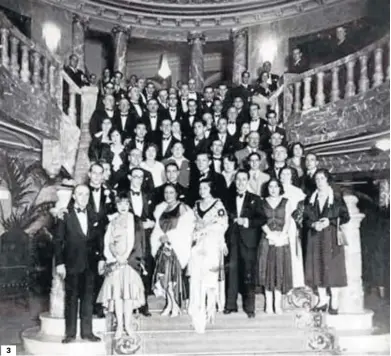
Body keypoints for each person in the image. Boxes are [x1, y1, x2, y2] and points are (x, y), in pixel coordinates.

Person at [53, 184, 103, 344]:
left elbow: (99, 240)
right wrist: (59, 263)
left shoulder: (93, 215)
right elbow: (58, 241)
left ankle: (87, 332)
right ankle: (70, 334)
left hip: (90, 263)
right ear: (74, 196)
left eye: (87, 194)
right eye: (80, 194)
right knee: (72, 299)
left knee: (88, 299)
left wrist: (101, 258)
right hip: (71, 263)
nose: (84, 197)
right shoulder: (64, 215)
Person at [97, 193, 145, 339]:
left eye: (126, 203)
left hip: (129, 262)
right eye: (120, 204)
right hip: (116, 262)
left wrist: (127, 258)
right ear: (116, 206)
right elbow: (109, 242)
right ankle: (119, 326)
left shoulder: (135, 221)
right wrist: (116, 257)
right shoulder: (112, 222)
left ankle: (128, 325)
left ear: (129, 205)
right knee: (117, 295)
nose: (123, 207)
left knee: (128, 295)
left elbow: (140, 242)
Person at [303, 169, 350, 314]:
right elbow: (304, 219)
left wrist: (329, 221)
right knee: (317, 267)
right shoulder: (310, 199)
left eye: (322, 178)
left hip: (331, 238)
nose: (319, 181)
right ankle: (323, 300)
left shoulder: (336, 198)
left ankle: (334, 302)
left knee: (333, 269)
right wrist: (313, 224)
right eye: (317, 179)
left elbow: (346, 217)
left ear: (327, 180)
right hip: (315, 237)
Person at [188, 180, 228, 333]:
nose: (202, 190)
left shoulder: (218, 204)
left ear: (211, 189)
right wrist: (196, 231)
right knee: (197, 277)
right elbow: (191, 223)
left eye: (205, 188)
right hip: (198, 245)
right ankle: (197, 308)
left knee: (210, 278)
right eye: (200, 188)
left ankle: (210, 309)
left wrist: (208, 229)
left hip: (212, 244)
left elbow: (223, 224)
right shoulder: (196, 205)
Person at [150, 184, 195, 316]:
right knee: (164, 276)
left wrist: (169, 237)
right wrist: (159, 238)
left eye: (171, 192)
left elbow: (186, 228)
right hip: (163, 247)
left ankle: (175, 305)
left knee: (172, 278)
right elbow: (158, 228)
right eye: (166, 192)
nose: (168, 195)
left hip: (175, 247)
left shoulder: (182, 207)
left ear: (176, 194)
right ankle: (170, 304)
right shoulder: (161, 208)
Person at [224, 170, 264, 318]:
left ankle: (250, 308)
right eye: (238, 180)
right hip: (232, 240)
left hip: (249, 242)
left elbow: (262, 220)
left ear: (247, 181)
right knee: (231, 272)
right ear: (234, 181)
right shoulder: (227, 199)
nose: (240, 182)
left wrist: (246, 222)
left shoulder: (256, 199)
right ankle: (230, 305)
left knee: (248, 275)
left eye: (243, 179)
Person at [258, 178, 293, 314]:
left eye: (276, 187)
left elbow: (288, 220)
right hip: (267, 239)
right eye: (270, 187)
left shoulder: (286, 202)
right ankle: (268, 305)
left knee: (279, 270)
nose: (273, 189)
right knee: (268, 271)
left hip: (281, 239)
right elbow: (261, 221)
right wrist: (270, 235)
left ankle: (277, 305)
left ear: (280, 188)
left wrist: (281, 235)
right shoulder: (262, 202)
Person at [280, 167, 306, 288]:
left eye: (288, 174)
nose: (284, 176)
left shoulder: (297, 191)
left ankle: (295, 282)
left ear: (292, 176)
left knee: (292, 251)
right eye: (282, 173)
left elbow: (300, 210)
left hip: (291, 224)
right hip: (277, 224)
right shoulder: (274, 189)